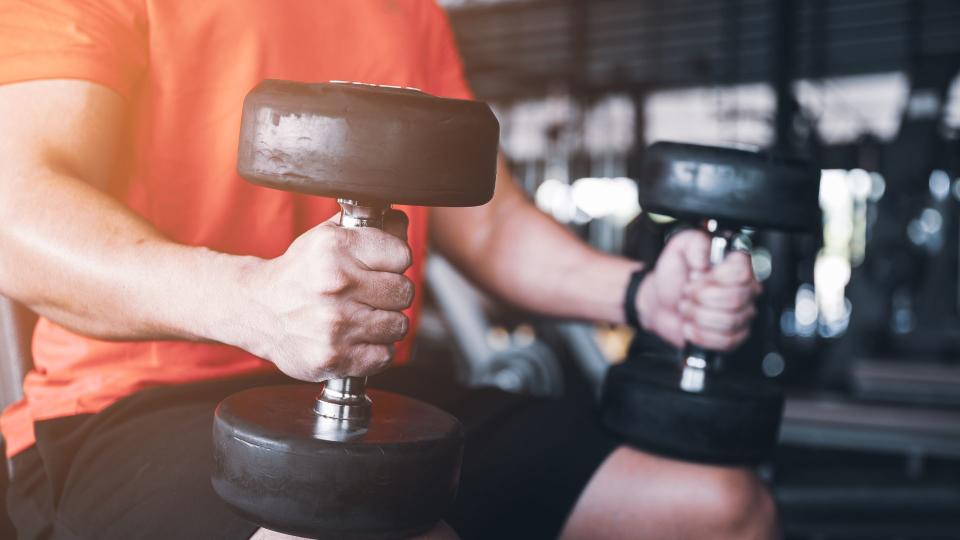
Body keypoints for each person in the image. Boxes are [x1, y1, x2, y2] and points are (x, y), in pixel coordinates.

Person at [0, 1, 772, 539]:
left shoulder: (408, 9)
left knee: (717, 509)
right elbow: (16, 212)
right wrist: (250, 301)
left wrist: (642, 292)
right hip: (129, 406)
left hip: (371, 401)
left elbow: (492, 225)